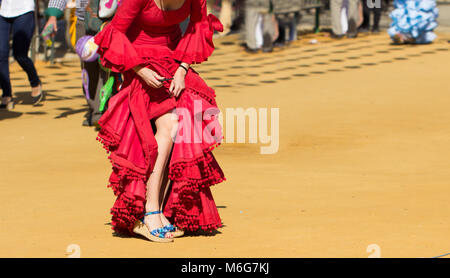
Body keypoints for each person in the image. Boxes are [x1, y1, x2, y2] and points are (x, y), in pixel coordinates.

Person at [94, 0, 225, 242]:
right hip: (138, 62)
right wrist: (140, 69)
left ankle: (165, 209)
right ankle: (149, 212)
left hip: (173, 62)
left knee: (190, 120)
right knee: (171, 125)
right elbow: (114, 33)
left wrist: (183, 69)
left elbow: (197, 26)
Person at [44, 0, 106, 127]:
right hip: (84, 20)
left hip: (111, 20)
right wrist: (52, 16)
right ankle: (95, 108)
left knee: (108, 67)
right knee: (89, 68)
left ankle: (102, 111)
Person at [0, 0, 43, 109]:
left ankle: (35, 82)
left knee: (20, 55)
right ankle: (6, 93)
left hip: (24, 9)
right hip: (2, 10)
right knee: (1, 54)